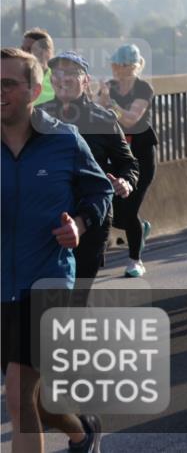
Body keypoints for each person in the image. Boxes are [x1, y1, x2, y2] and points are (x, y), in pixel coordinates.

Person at [2, 47, 113, 453]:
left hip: (47, 280)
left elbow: (100, 190)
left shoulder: (64, 140)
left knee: (16, 395)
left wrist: (80, 224)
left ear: (33, 90)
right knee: (37, 402)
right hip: (2, 286)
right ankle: (83, 431)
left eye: (8, 84)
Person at [40, 51, 139, 287]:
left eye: (71, 72)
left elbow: (129, 163)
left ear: (85, 81)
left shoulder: (103, 119)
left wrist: (125, 181)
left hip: (91, 216)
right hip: (48, 215)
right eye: (57, 72)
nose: (62, 77)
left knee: (76, 295)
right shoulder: (38, 117)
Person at [96, 44, 159, 277]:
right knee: (117, 215)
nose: (115, 69)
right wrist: (102, 98)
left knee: (130, 210)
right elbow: (97, 115)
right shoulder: (109, 87)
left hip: (142, 156)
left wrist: (110, 103)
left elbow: (132, 119)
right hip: (119, 155)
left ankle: (135, 260)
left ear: (130, 66)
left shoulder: (144, 88)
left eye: (119, 65)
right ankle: (141, 230)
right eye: (113, 64)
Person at [21, 28, 55, 106]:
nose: (23, 53)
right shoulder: (15, 76)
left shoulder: (58, 80)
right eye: (22, 49)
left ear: (46, 52)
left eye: (30, 49)